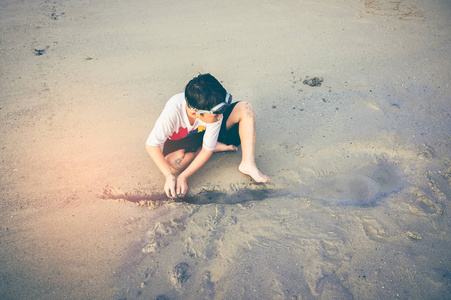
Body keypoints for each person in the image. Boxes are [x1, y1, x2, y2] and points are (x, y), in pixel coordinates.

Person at [146, 73, 269, 199]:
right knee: (173, 166)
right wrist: (170, 176)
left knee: (245, 107)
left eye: (221, 112)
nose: (220, 117)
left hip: (208, 129)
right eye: (216, 114)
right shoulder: (173, 111)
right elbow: (151, 145)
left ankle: (248, 163)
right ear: (195, 113)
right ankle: (213, 146)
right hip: (182, 140)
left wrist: (184, 176)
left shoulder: (216, 115)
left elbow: (207, 149)